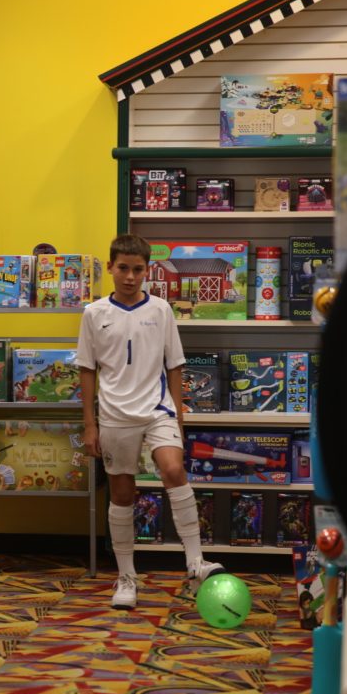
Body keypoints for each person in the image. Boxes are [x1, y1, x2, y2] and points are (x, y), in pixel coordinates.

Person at [77, 234, 224, 609]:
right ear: (110, 267)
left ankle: (195, 561)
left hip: (158, 409)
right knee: (123, 494)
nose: (130, 276)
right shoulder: (94, 314)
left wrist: (178, 413)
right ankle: (126, 578)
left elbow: (175, 364)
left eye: (137, 269)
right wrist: (90, 425)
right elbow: (87, 370)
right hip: (113, 415)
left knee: (174, 470)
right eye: (123, 268)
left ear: (147, 271)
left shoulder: (161, 310)